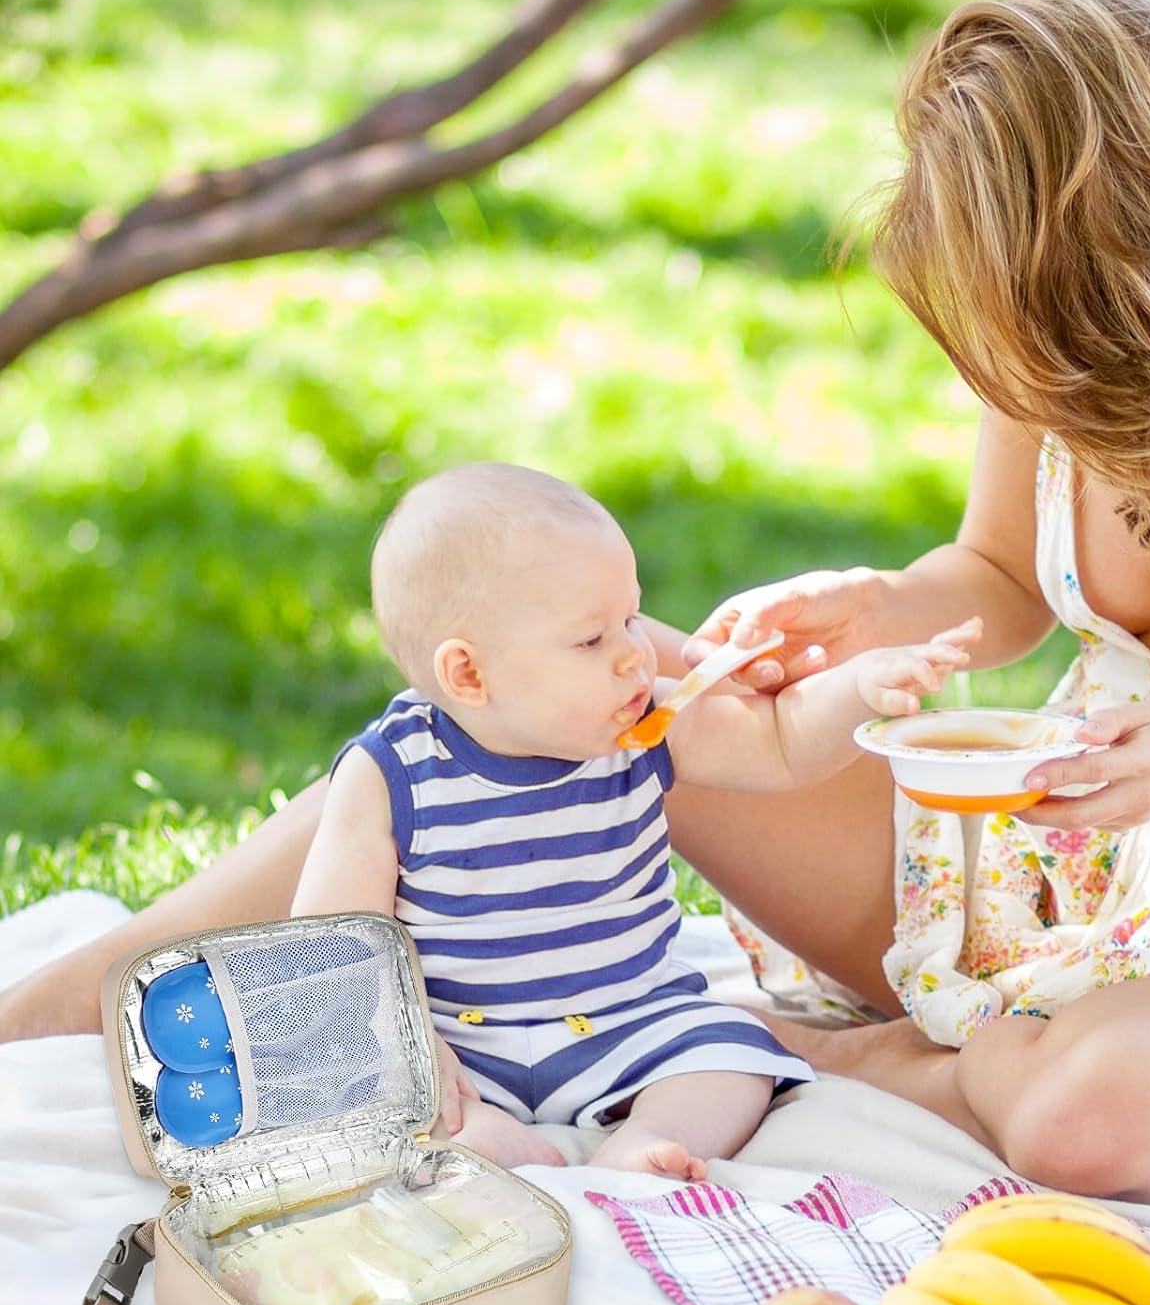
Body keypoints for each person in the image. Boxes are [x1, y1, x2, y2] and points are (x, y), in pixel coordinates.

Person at [6, 0, 1150, 1205]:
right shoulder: (1051, 327)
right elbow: (998, 578)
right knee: (569, 694)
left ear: (1147, 260)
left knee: (1098, 1123)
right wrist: (877, 608)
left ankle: (827, 1057)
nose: (1023, 387)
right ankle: (73, 995)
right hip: (1061, 849)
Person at [286, 461, 979, 1179]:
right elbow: (332, 945)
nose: (634, 657)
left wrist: (860, 687)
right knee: (378, 1085)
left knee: (731, 1060)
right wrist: (413, 1046)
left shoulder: (643, 729)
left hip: (625, 1023)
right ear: (468, 674)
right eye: (592, 640)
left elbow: (778, 744)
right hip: (462, 1042)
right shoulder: (391, 772)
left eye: (631, 620)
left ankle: (645, 1142)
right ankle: (485, 1140)